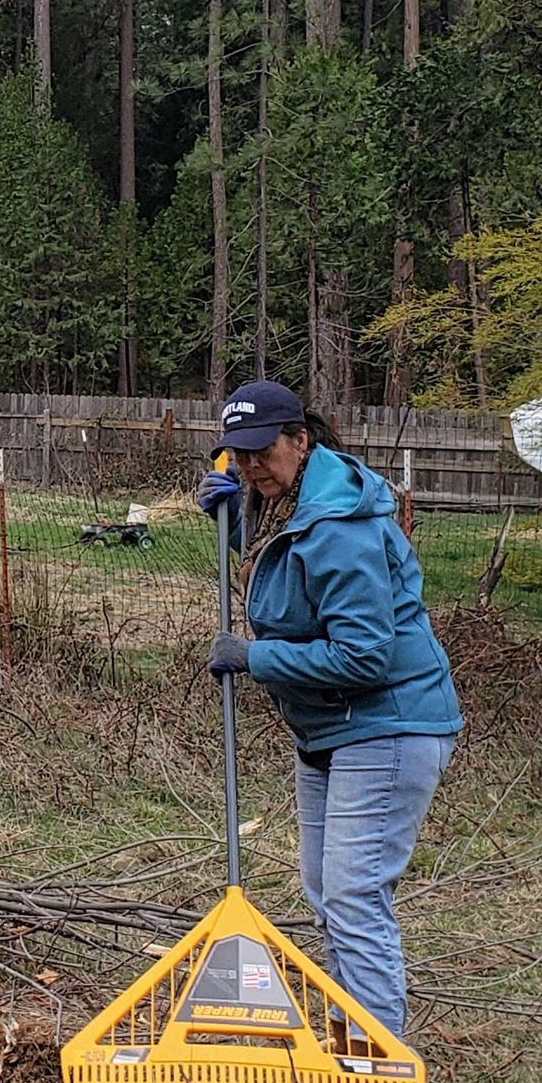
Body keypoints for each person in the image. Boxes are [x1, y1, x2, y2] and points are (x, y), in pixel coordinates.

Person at [196, 378, 462, 1041]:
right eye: (239, 454)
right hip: (329, 731)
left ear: (300, 438)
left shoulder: (338, 522)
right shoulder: (291, 503)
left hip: (389, 723)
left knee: (352, 897)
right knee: (329, 896)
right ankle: (349, 1040)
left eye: (263, 450)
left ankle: (374, 1064)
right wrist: (237, 526)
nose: (252, 465)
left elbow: (364, 656)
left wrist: (256, 659)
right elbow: (293, 577)